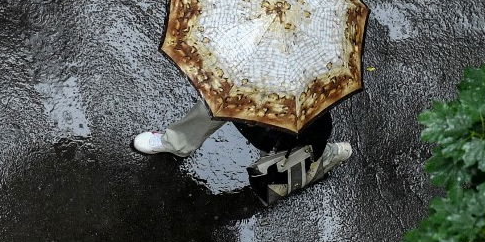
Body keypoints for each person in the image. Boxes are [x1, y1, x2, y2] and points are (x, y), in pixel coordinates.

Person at [133, 100, 352, 206]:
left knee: (279, 171)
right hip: (260, 107)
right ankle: (176, 142)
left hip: (295, 134)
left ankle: (323, 157)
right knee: (218, 98)